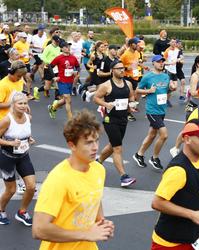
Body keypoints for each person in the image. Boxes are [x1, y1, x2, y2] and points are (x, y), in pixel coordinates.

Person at [32, 110, 114, 248]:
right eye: (88, 143)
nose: (95, 148)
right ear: (72, 145)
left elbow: (95, 197)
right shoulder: (58, 179)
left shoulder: (99, 170)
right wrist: (86, 234)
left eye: (96, 141)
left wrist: (101, 223)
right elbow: (39, 229)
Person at [151, 119, 199, 250]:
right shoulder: (178, 169)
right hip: (171, 243)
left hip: (194, 236)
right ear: (187, 139)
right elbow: (157, 203)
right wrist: (193, 214)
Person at [93, 60, 136, 187]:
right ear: (112, 70)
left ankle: (98, 162)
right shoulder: (106, 85)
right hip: (110, 120)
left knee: (113, 144)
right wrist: (106, 104)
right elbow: (96, 98)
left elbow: (131, 97)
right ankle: (124, 177)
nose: (122, 70)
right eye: (119, 68)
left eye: (123, 68)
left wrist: (132, 105)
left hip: (123, 119)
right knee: (117, 148)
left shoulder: (128, 84)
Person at [133, 55, 177, 170]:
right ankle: (154, 157)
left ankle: (139, 154)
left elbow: (167, 90)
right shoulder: (147, 77)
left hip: (162, 109)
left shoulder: (166, 76)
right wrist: (148, 91)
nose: (161, 63)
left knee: (152, 134)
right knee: (164, 134)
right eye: (158, 62)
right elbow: (137, 90)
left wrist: (172, 88)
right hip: (152, 110)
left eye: (162, 61)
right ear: (153, 63)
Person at [0, 92, 36, 226]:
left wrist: (28, 139)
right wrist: (10, 143)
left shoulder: (28, 117)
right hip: (7, 158)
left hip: (23, 156)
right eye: (20, 103)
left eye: (25, 103)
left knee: (31, 187)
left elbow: (24, 133)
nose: (23, 106)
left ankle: (22, 212)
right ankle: (1, 210)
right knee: (11, 190)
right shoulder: (6, 120)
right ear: (13, 105)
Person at [47, 41, 80, 120]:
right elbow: (50, 66)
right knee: (68, 100)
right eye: (65, 47)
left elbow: (78, 66)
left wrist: (76, 71)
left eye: (68, 46)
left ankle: (53, 107)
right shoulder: (59, 58)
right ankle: (71, 120)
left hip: (70, 81)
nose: (68, 48)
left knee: (65, 100)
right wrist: (53, 77)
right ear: (61, 49)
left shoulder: (73, 57)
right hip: (62, 81)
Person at [34, 35, 61, 100]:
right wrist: (49, 62)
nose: (57, 43)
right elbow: (43, 57)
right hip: (48, 68)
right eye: (56, 42)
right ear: (53, 40)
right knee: (47, 87)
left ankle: (57, 101)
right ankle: (37, 90)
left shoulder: (58, 48)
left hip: (56, 68)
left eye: (58, 42)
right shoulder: (48, 47)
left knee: (57, 85)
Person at [120, 37, 141, 121]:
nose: (138, 45)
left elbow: (136, 63)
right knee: (130, 95)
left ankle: (129, 110)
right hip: (127, 77)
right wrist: (126, 68)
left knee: (135, 95)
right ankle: (127, 113)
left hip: (135, 76)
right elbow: (119, 65)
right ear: (132, 44)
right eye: (136, 43)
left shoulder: (137, 53)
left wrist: (143, 66)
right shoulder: (125, 54)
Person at [13, 32, 33, 99]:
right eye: (24, 38)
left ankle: (28, 93)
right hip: (20, 64)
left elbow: (28, 51)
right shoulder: (16, 44)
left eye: (26, 38)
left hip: (27, 63)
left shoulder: (27, 43)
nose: (25, 39)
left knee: (29, 78)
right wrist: (20, 55)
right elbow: (13, 54)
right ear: (20, 38)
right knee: (21, 79)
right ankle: (21, 92)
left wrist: (30, 54)